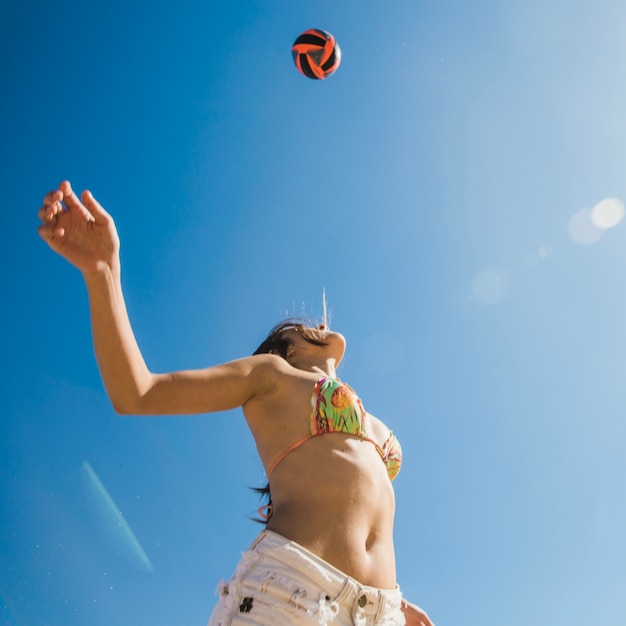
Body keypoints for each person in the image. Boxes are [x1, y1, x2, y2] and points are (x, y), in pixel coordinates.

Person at [37, 181, 435, 626]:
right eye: (300, 328)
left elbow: (358, 504)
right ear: (286, 350)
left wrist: (394, 603)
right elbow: (137, 392)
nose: (318, 323)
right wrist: (102, 270)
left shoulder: (370, 422)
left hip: (379, 612)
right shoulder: (272, 376)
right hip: (292, 596)